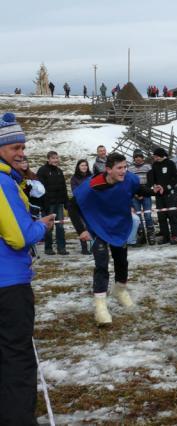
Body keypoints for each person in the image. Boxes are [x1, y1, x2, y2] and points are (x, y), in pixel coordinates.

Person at [0, 112, 55, 424]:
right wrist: (41, 227)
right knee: (17, 356)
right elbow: (18, 237)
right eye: (12, 148)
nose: (20, 152)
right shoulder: (2, 183)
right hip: (9, 284)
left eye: (22, 146)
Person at [69, 153, 160, 324]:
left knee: (122, 261)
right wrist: (81, 230)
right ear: (108, 169)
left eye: (125, 167)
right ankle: (100, 307)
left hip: (119, 225)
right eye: (119, 168)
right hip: (97, 227)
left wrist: (153, 191)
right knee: (102, 264)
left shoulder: (129, 178)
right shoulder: (92, 185)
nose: (123, 171)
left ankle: (120, 291)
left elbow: (138, 190)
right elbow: (72, 205)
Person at [37, 150, 69, 255]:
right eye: (53, 158)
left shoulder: (59, 171)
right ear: (48, 159)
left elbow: (64, 188)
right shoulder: (42, 171)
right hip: (48, 204)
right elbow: (39, 189)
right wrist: (43, 204)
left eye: (57, 158)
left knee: (60, 226)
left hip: (59, 203)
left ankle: (61, 248)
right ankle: (48, 248)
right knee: (49, 226)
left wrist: (66, 202)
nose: (56, 160)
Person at [148, 148, 177, 245]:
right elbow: (152, 177)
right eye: (154, 156)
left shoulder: (170, 163)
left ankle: (175, 236)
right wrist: (154, 185)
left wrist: (166, 187)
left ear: (161, 155)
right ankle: (165, 236)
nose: (155, 158)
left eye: (156, 156)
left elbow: (175, 178)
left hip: (170, 194)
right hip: (159, 195)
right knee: (161, 216)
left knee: (172, 215)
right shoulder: (154, 165)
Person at [128, 150, 155, 245]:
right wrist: (135, 194)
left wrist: (144, 192)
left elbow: (151, 180)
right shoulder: (130, 168)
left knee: (147, 215)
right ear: (134, 158)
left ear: (142, 157)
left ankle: (151, 235)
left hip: (146, 194)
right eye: (136, 157)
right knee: (138, 216)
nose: (138, 158)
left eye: (140, 156)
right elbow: (129, 183)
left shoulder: (148, 167)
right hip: (135, 195)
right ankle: (141, 236)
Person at [70, 160, 93, 254]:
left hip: (90, 204)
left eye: (86, 165)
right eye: (82, 165)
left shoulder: (91, 176)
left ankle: (93, 246)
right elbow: (75, 191)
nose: (84, 167)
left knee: (91, 225)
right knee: (82, 226)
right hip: (79, 205)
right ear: (78, 166)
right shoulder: (74, 178)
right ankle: (84, 248)